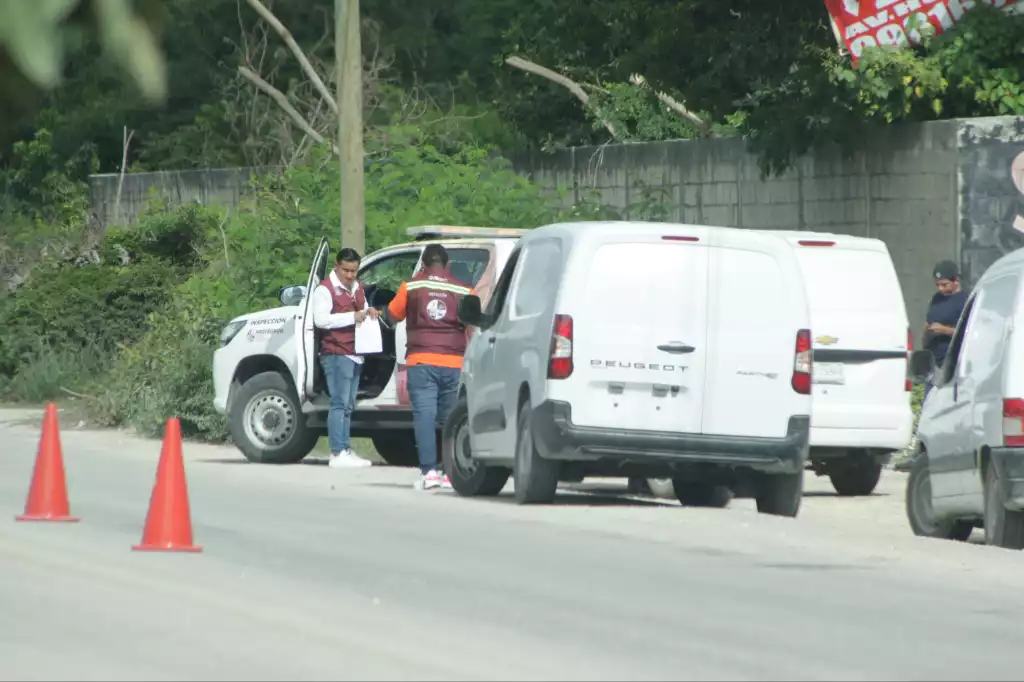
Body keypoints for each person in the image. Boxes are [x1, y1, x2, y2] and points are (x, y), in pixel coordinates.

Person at [386, 244, 474, 490]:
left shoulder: (411, 286)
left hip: (421, 361)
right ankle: (449, 473)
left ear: (423, 265)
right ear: (447, 265)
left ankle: (428, 473)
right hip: (454, 362)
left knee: (424, 417)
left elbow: (392, 315)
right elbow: (472, 325)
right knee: (450, 420)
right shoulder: (464, 289)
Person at [312, 247, 379, 469]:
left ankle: (345, 449)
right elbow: (321, 320)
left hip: (356, 353)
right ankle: (337, 452)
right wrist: (352, 316)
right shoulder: (325, 290)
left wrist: (370, 312)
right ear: (337, 267)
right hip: (335, 352)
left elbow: (363, 307)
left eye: (354, 271)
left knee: (349, 405)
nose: (350, 275)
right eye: (346, 270)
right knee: (339, 403)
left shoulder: (357, 287)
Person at [921, 259, 970, 398]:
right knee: (929, 401)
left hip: (952, 363)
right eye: (937, 285)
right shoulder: (937, 298)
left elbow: (969, 332)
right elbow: (928, 321)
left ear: (956, 281)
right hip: (933, 361)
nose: (940, 289)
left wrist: (945, 330)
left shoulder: (965, 300)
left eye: (944, 285)